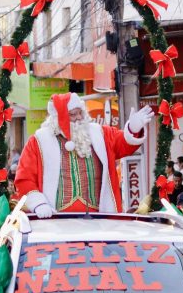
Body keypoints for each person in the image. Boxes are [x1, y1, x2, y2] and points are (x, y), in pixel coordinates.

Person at [15, 92, 154, 215]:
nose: (79, 118)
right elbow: (25, 178)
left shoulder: (99, 133)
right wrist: (38, 203)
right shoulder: (39, 141)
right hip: (56, 220)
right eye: (72, 114)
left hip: (98, 220)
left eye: (80, 112)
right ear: (59, 117)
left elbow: (122, 144)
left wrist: (132, 128)